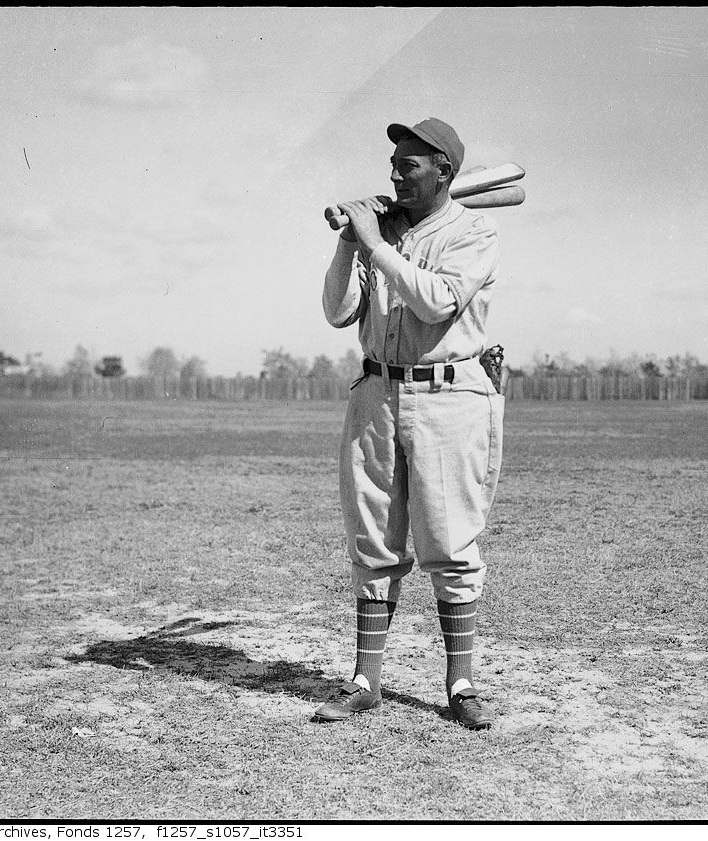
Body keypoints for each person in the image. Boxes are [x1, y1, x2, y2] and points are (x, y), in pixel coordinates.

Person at [316, 117, 504, 730]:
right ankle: (366, 679)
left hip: (450, 395)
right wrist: (351, 242)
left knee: (448, 544)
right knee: (372, 539)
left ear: (444, 171)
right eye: (393, 163)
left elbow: (436, 301)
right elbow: (338, 311)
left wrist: (376, 245)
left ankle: (462, 683)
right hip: (376, 390)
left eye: (410, 165)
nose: (395, 173)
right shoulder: (384, 232)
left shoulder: (475, 229)